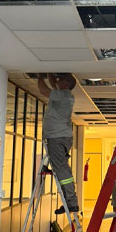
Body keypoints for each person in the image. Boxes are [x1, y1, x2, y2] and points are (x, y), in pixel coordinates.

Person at [37, 73, 79, 214]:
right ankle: (71, 201)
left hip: (57, 137)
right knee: (62, 168)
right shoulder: (64, 95)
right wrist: (49, 74)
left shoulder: (63, 96)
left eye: (60, 79)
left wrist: (40, 76)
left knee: (61, 170)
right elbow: (54, 85)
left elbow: (43, 90)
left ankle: (71, 203)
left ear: (66, 83)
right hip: (61, 137)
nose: (57, 80)